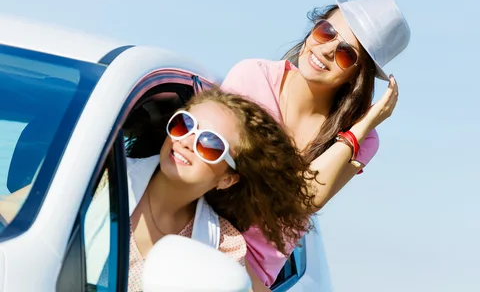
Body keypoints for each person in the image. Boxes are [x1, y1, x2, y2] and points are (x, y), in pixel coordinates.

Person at [0, 89, 315, 291]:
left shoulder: (222, 244)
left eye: (209, 144)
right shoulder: (99, 178)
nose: (187, 141)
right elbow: (9, 216)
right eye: (185, 125)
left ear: (227, 178)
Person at [221, 0, 411, 289]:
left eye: (346, 53)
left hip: (254, 274)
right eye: (326, 32)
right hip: (209, 238)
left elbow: (302, 200)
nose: (325, 50)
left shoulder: (365, 140)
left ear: (356, 76)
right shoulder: (252, 78)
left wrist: (362, 127)